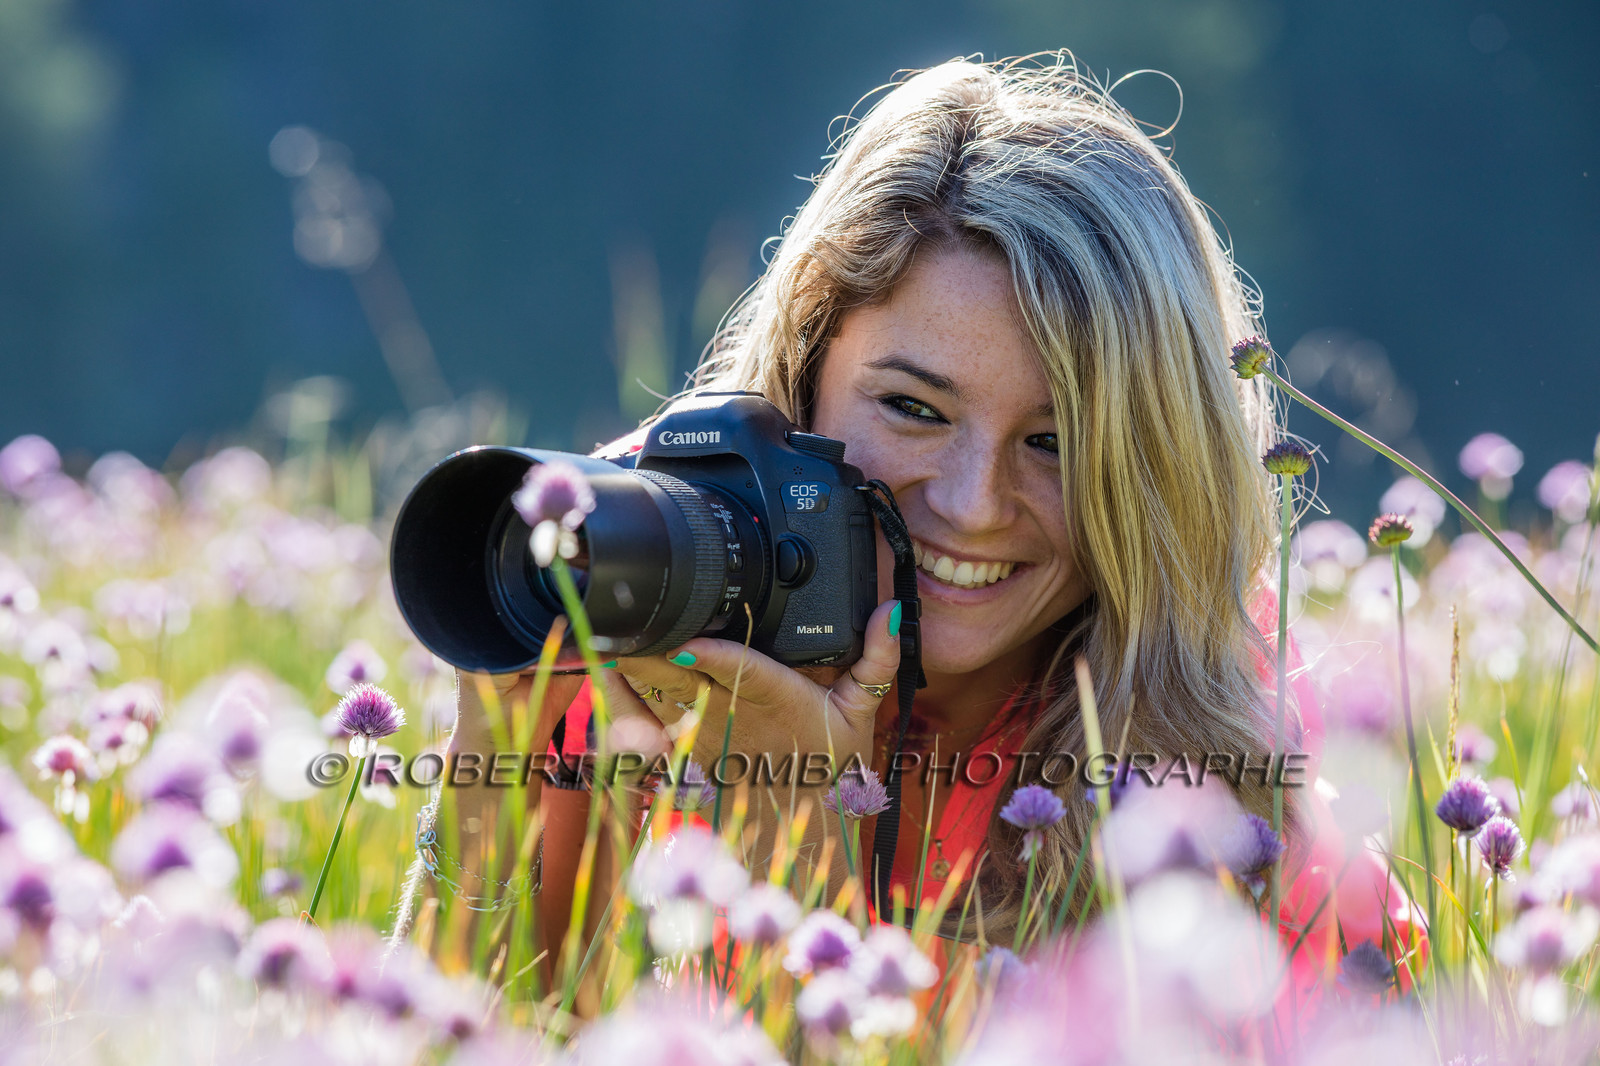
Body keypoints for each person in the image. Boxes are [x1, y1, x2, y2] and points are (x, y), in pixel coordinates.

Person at [416, 53, 1423, 998]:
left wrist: (791, 830)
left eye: (1056, 443)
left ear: (1156, 470)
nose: (973, 503)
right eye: (913, 408)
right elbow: (471, 1026)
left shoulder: (1223, 801)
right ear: (805, 371)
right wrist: (487, 768)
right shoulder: (651, 590)